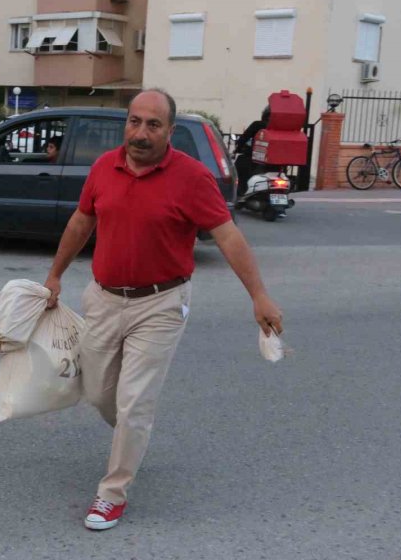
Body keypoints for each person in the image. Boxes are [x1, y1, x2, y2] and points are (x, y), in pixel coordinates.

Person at [43, 89, 283, 531]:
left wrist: (259, 295)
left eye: (153, 125)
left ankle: (111, 494)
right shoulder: (103, 167)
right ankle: (133, 437)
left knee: (134, 403)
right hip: (103, 297)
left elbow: (228, 237)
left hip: (160, 303)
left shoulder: (192, 178)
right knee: (97, 393)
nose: (140, 132)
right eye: (134, 122)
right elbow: (82, 221)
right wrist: (55, 275)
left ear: (170, 131)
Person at [234, 105, 270, 196]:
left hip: (258, 159)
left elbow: (244, 138)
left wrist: (238, 147)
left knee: (241, 163)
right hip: (277, 162)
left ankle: (242, 192)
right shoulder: (283, 128)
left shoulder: (258, 125)